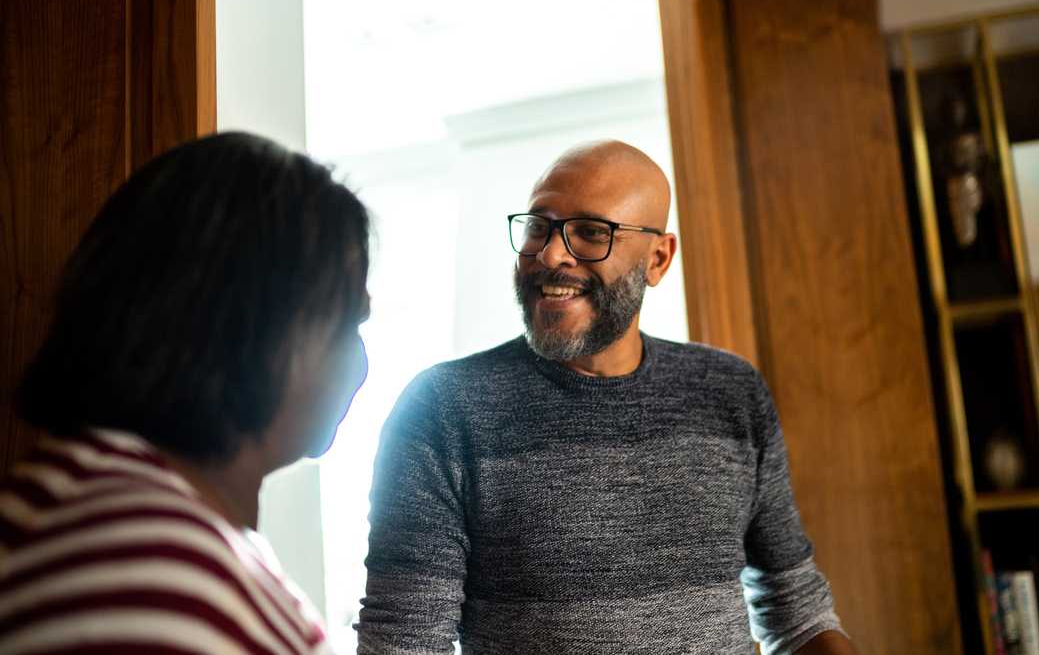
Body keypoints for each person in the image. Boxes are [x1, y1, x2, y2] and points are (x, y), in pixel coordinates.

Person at [357, 140, 857, 654]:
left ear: (658, 259)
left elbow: (796, 610)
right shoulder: (442, 410)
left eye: (591, 233)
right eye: (538, 226)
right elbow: (404, 642)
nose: (551, 255)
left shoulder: (730, 392)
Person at [0, 132, 371, 654]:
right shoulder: (139, 569)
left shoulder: (118, 515)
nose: (359, 364)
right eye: (346, 321)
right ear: (259, 321)